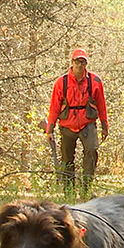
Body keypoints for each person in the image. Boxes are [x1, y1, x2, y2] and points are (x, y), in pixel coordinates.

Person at [46, 48, 109, 197]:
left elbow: (101, 105)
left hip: (88, 123)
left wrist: (104, 126)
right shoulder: (62, 82)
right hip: (67, 124)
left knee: (91, 151)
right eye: (77, 61)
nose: (80, 65)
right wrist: (50, 129)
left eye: (83, 62)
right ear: (71, 62)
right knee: (67, 159)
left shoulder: (95, 81)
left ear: (86, 64)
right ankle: (69, 192)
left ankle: (86, 189)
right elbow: (54, 106)